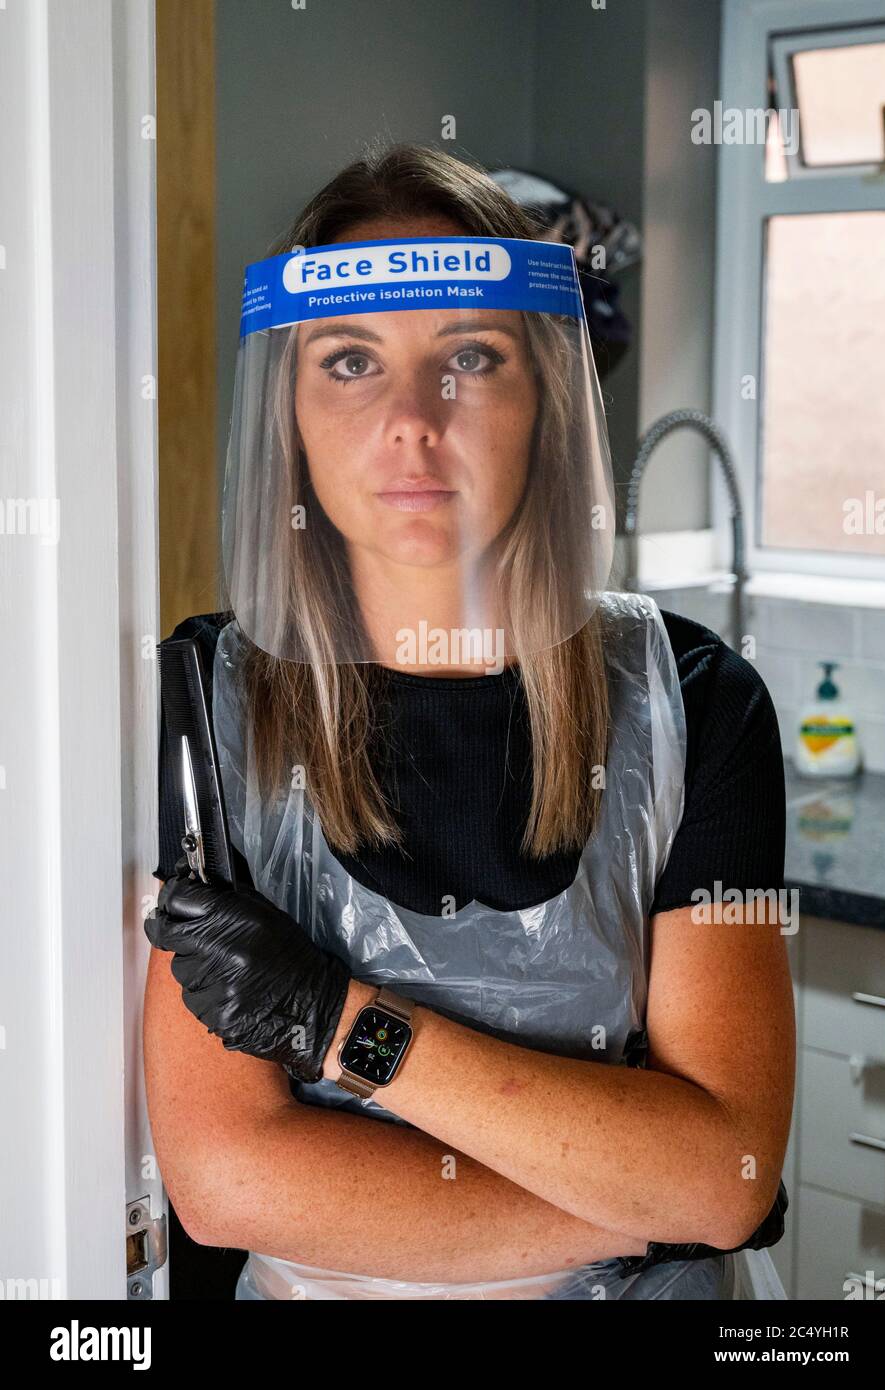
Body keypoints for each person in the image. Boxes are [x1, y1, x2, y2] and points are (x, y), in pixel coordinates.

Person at [144, 142, 794, 1301]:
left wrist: (334, 1022)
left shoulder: (694, 703)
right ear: (289, 412)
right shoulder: (209, 701)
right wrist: (642, 1203)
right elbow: (228, 1180)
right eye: (349, 360)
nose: (410, 417)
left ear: (544, 402)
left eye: (471, 358)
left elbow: (721, 1168)